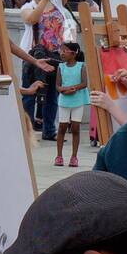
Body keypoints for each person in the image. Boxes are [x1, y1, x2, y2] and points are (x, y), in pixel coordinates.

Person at [19, 0, 66, 140]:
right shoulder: (27, 7)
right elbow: (31, 19)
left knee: (52, 94)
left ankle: (49, 130)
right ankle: (26, 129)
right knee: (30, 92)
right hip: (34, 55)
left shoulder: (56, 1)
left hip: (55, 54)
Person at [54, 40, 89, 168]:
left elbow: (84, 83)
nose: (61, 53)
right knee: (62, 127)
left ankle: (74, 156)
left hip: (77, 101)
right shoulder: (61, 67)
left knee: (75, 128)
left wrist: (73, 88)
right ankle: (59, 156)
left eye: (64, 51)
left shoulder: (81, 66)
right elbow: (57, 85)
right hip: (64, 101)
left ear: (73, 53)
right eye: (61, 50)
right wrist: (63, 90)